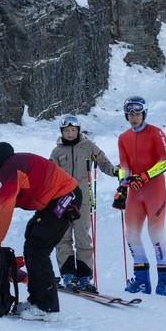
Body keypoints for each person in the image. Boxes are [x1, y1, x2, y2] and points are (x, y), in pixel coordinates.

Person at [0, 141, 83, 321]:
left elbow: (5, 209)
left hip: (65, 196)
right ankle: (37, 300)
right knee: (32, 241)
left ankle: (47, 307)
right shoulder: (3, 168)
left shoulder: (8, 172)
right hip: (52, 199)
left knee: (37, 248)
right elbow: (2, 209)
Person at [50, 114, 118, 292]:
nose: (70, 133)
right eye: (67, 131)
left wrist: (114, 171)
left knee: (83, 238)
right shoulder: (57, 152)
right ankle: (68, 274)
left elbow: (103, 162)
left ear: (78, 130)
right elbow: (49, 175)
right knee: (63, 238)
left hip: (83, 200)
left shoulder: (87, 146)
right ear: (62, 132)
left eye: (73, 130)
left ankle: (84, 276)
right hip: (62, 200)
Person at [115, 95, 166, 296]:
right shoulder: (123, 138)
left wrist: (145, 176)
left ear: (144, 113)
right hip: (135, 193)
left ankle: (164, 280)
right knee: (130, 234)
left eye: (137, 113)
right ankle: (141, 281)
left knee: (155, 234)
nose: (134, 118)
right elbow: (124, 166)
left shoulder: (156, 132)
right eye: (130, 114)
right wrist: (122, 187)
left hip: (154, 190)